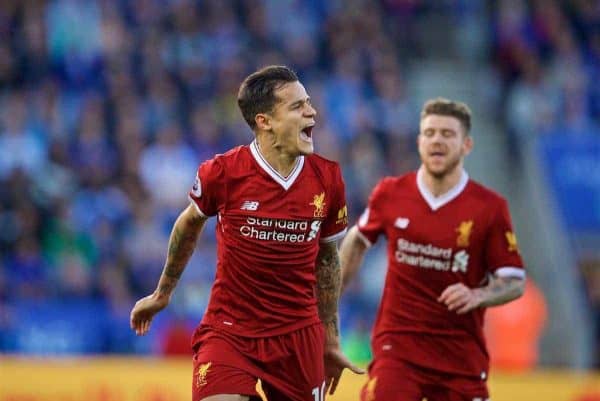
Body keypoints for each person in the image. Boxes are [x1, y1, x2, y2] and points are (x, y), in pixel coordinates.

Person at [130, 65, 363, 401]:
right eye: (297, 106)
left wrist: (331, 337)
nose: (312, 112)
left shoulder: (328, 179)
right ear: (264, 121)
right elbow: (188, 223)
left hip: (298, 337)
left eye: (308, 103)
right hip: (230, 332)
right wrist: (163, 292)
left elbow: (327, 261)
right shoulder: (223, 173)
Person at [340, 98, 526, 401]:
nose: (437, 141)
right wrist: (330, 297)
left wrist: (479, 294)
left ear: (466, 145)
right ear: (418, 142)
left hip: (459, 357)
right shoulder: (391, 193)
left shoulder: (489, 208)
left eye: (447, 134)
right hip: (398, 350)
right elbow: (357, 239)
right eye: (430, 133)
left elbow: (514, 280)